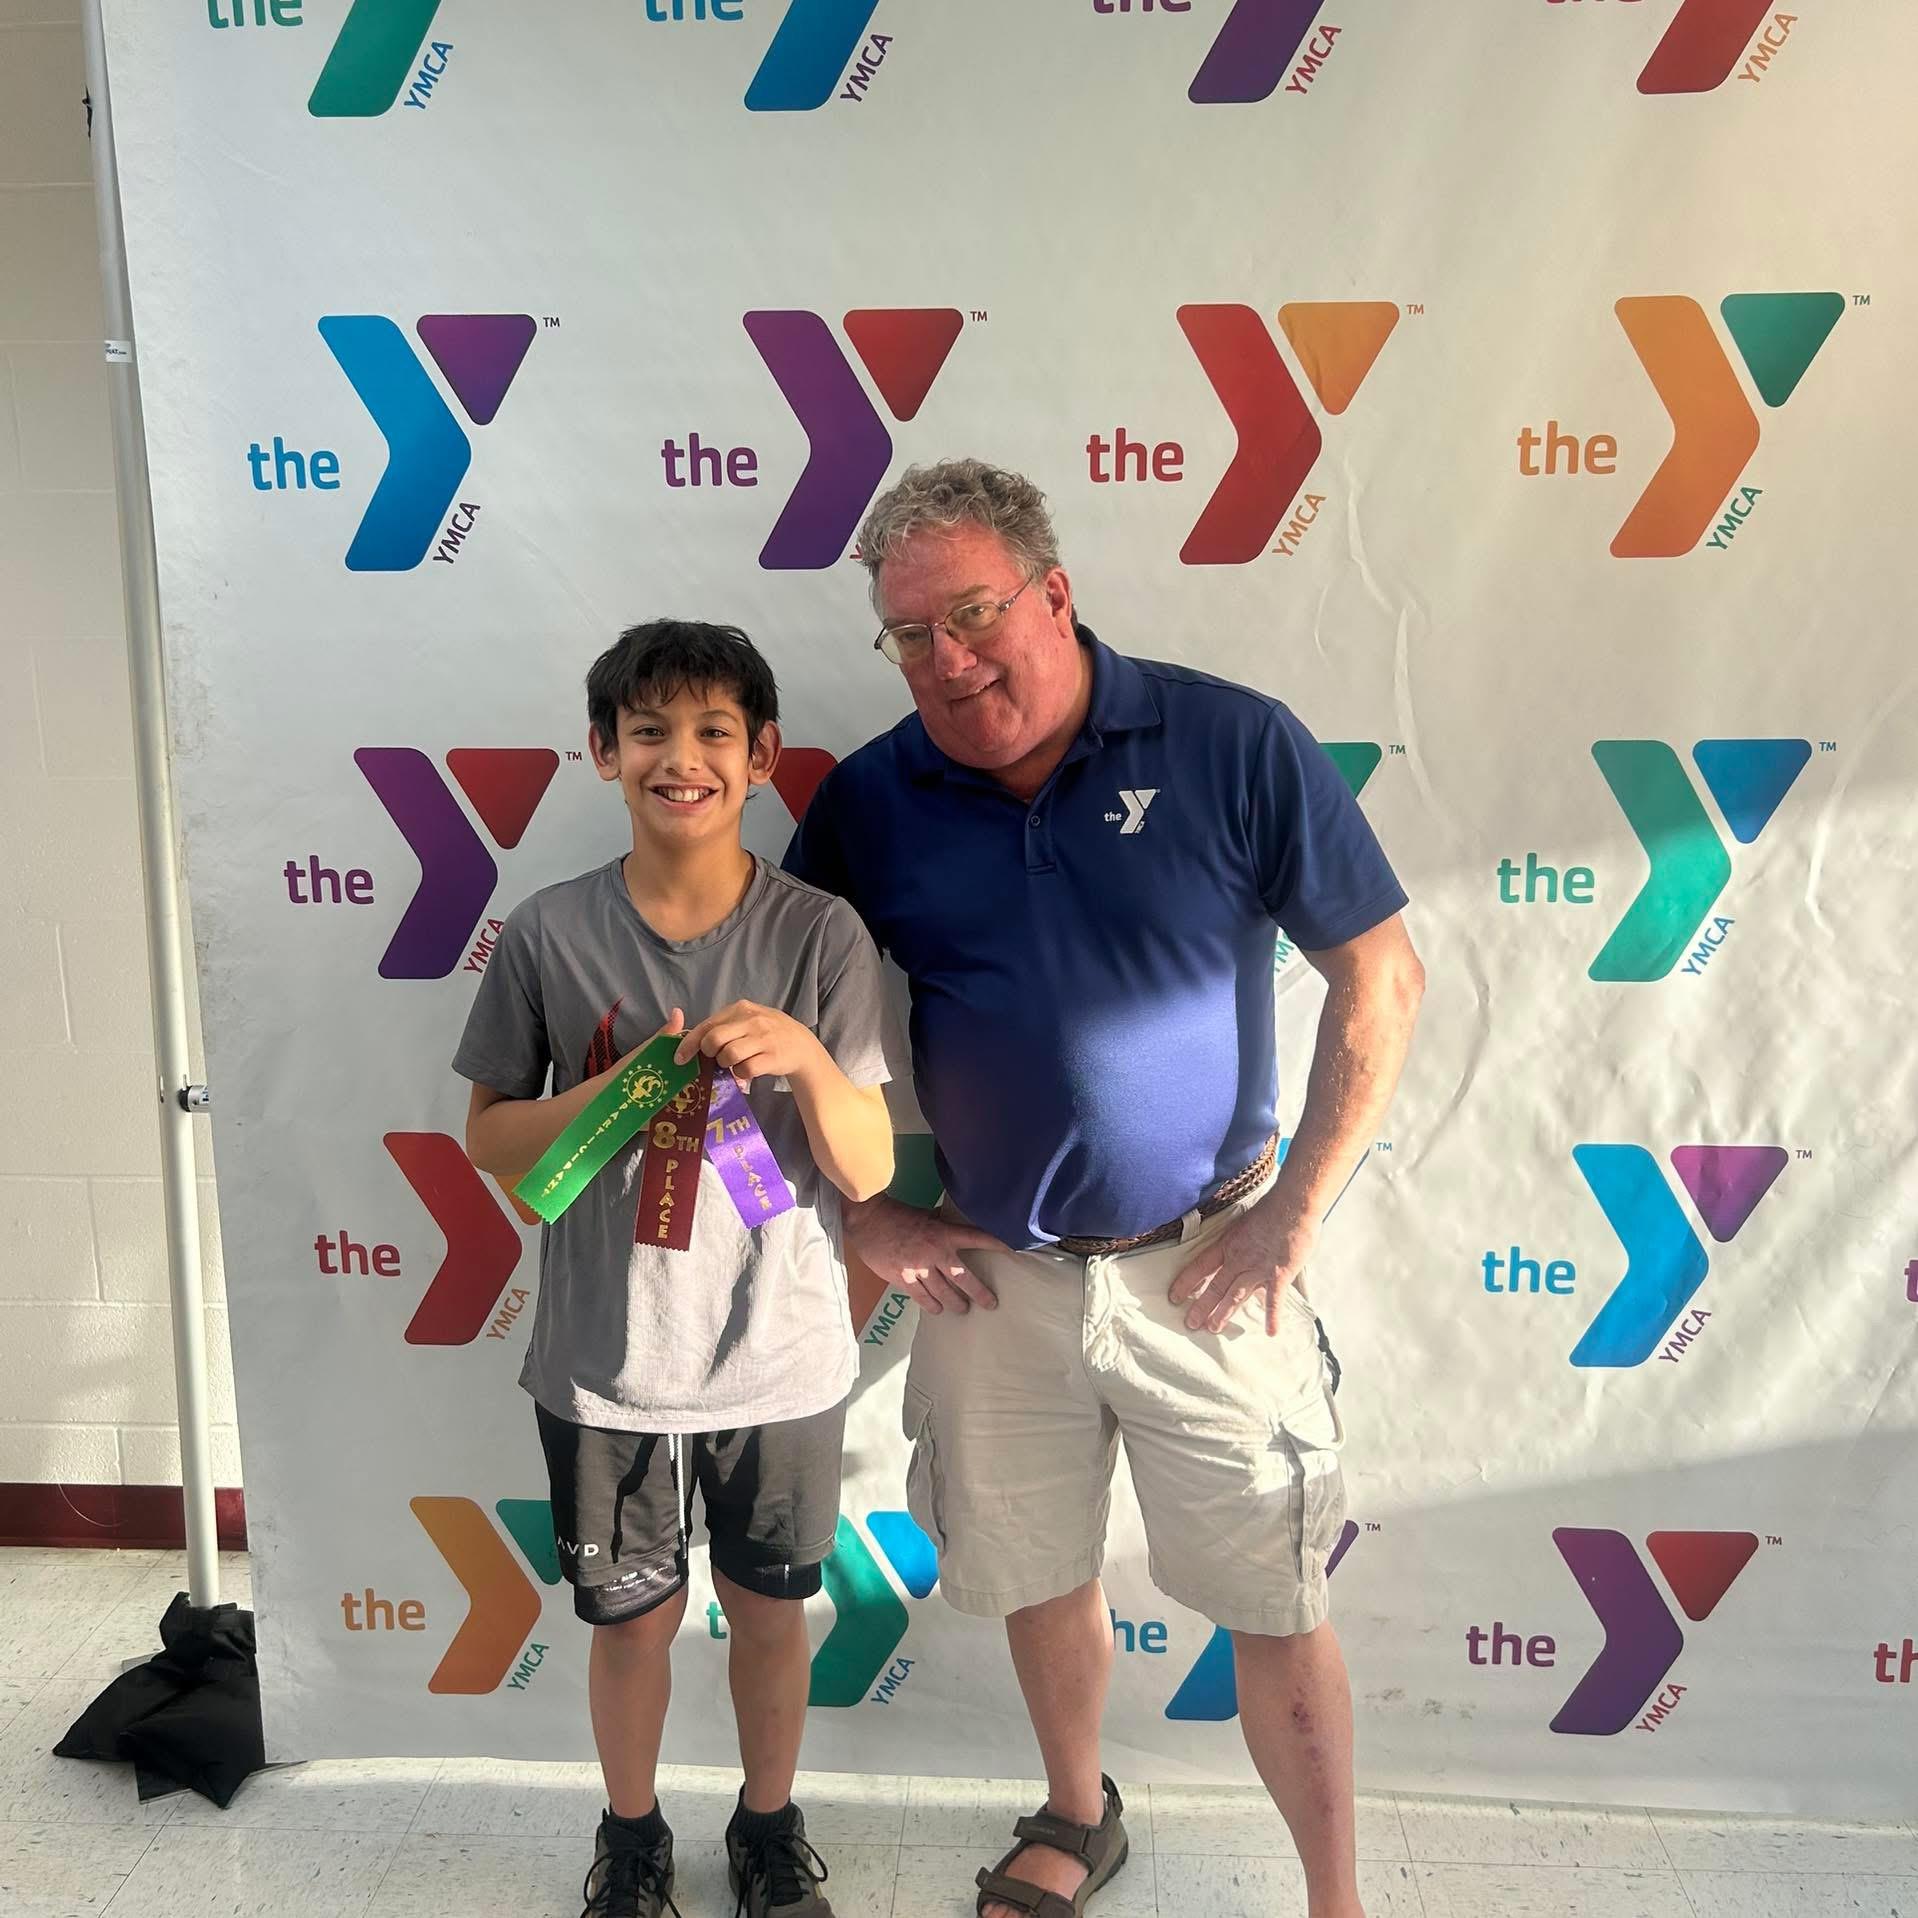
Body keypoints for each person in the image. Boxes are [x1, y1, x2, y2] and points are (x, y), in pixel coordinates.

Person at [784, 462, 1424, 1918]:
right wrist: (865, 1219)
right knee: (1033, 1567)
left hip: (1211, 1263)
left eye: (974, 613)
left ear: (1052, 594)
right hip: (991, 1274)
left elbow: (1379, 976)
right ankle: (1077, 1814)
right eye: (910, 634)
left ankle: (1336, 1899)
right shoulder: (874, 799)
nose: (947, 659)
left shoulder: (1226, 741)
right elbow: (782, 1032)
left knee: (1276, 1594)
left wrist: (1294, 1213)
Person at [455, 620, 894, 1918]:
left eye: (712, 731)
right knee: (629, 1620)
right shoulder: (546, 933)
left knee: (769, 1615)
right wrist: (613, 1096)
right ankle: (632, 1834)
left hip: (781, 1357)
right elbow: (492, 1137)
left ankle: (767, 1825)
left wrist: (806, 1062)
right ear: (602, 751)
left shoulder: (820, 935)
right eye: (648, 730)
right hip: (606, 1361)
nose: (679, 757)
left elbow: (865, 1165)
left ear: (760, 754)